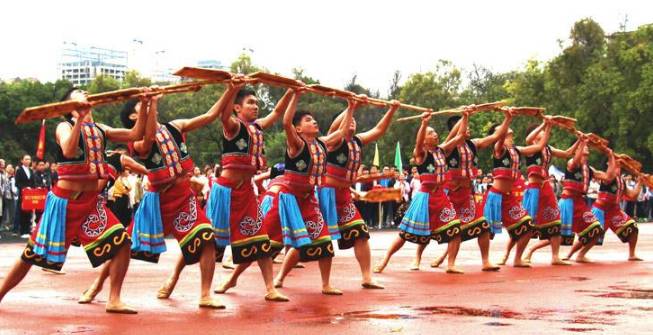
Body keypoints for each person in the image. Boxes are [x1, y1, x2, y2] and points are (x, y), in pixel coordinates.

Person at [0, 87, 148, 313]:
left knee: (122, 243)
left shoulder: (101, 129)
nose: (85, 93)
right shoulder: (64, 126)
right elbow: (69, 150)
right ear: (69, 107)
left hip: (90, 204)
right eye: (79, 92)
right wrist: (79, 118)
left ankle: (114, 299)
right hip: (65, 204)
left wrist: (147, 104)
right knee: (31, 254)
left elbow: (136, 134)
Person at [207, 84, 293, 302]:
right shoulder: (232, 125)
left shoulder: (258, 127)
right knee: (206, 241)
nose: (256, 107)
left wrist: (292, 91)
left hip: (246, 193)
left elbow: (276, 112)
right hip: (224, 193)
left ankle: (269, 288)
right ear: (237, 108)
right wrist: (231, 87)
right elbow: (222, 114)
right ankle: (175, 277)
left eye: (257, 103)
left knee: (259, 240)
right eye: (250, 103)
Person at [267, 87, 353, 294]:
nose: (313, 122)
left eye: (313, 120)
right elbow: (286, 122)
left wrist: (352, 106)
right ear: (298, 129)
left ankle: (325, 284)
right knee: (267, 243)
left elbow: (341, 132)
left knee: (322, 241)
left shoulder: (322, 143)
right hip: (288, 200)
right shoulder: (296, 144)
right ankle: (235, 276)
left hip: (308, 200)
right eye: (307, 120)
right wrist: (296, 94)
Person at [316, 97, 399, 289]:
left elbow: (379, 130)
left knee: (360, 232)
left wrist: (392, 110)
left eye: (354, 119)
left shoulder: (358, 141)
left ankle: (367, 277)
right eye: (348, 119)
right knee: (319, 238)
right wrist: (351, 107)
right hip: (326, 195)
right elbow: (336, 126)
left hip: (344, 196)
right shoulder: (333, 141)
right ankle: (283, 276)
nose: (351, 121)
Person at [374, 111, 468, 274]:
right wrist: (424, 123)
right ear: (424, 139)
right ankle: (385, 260)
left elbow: (459, 137)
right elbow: (418, 144)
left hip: (441, 197)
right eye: (431, 133)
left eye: (435, 132)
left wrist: (466, 117)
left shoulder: (442, 150)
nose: (435, 134)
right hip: (425, 198)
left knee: (456, 229)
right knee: (405, 234)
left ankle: (451, 264)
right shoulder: (421, 154)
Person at [483, 110, 547, 268]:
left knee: (527, 227)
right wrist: (508, 118)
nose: (510, 134)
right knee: (484, 231)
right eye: (506, 133)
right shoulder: (499, 149)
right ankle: (484, 260)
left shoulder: (517, 150)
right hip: (495, 197)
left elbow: (539, 145)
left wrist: (547, 124)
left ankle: (517, 259)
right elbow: (499, 137)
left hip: (509, 198)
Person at [516, 120, 580, 265]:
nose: (545, 133)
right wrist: (546, 124)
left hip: (546, 189)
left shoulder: (548, 148)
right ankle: (513, 255)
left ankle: (555, 256)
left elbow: (567, 153)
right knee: (527, 224)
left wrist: (580, 141)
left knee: (556, 220)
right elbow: (528, 138)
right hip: (533, 190)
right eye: (542, 132)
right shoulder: (531, 147)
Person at [559, 138, 606, 263]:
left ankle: (579, 255)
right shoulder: (571, 163)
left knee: (596, 230)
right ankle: (532, 251)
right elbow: (575, 160)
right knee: (556, 233)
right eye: (584, 147)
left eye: (586, 146)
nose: (586, 147)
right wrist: (582, 141)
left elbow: (608, 176)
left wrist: (611, 156)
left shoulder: (589, 170)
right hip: (568, 201)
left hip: (580, 203)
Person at [590, 156, 643, 261]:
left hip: (615, 212)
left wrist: (640, 182)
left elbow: (632, 196)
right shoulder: (606, 177)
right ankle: (574, 254)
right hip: (601, 210)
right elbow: (594, 172)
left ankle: (631, 254)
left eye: (620, 166)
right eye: (616, 165)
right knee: (589, 236)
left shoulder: (621, 182)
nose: (618, 168)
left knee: (633, 228)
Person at [14, 155, 35, 237]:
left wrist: (33, 188)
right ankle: (23, 231)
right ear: (22, 160)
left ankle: (28, 230)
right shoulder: (19, 170)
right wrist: (25, 188)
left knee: (29, 212)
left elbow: (33, 182)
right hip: (23, 194)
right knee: (22, 212)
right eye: (26, 159)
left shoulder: (31, 170)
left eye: (29, 159)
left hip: (30, 195)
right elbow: (17, 183)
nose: (28, 160)